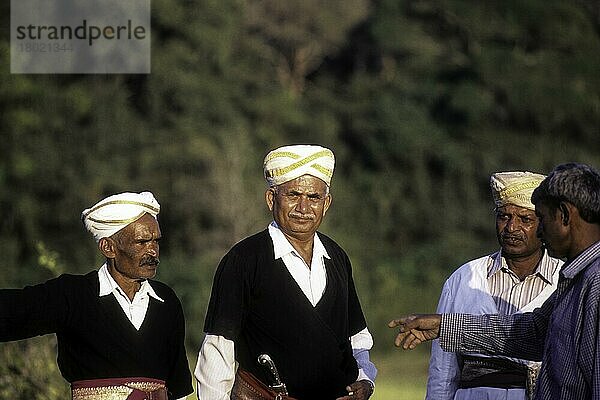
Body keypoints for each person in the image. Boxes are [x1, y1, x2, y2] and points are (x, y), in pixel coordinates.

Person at [389, 162, 600, 400]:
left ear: (564, 215)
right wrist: (443, 326)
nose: (540, 232)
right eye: (505, 217)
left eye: (538, 219)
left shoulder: (595, 281)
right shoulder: (574, 279)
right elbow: (531, 333)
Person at [195, 145, 377, 400]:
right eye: (293, 195)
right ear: (271, 198)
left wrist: (365, 379)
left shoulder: (337, 258)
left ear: (327, 203)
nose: (303, 208)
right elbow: (218, 351)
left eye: (313, 197)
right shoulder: (243, 260)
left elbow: (356, 339)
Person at [0, 191, 193, 400]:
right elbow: (11, 312)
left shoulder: (166, 301)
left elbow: (178, 384)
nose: (153, 251)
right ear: (108, 247)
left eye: (156, 241)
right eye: (142, 242)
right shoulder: (74, 295)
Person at [426, 171, 562, 400]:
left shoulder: (564, 280)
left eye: (525, 219)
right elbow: (443, 369)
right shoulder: (464, 279)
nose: (511, 228)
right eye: (504, 217)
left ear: (543, 224)